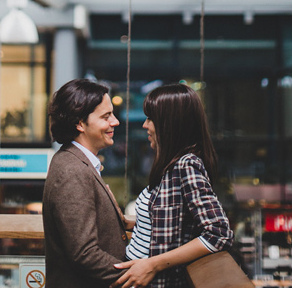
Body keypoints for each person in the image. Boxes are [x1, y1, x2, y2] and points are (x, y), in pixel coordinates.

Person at [112, 83, 234, 288]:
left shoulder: (186, 165)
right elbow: (171, 223)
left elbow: (218, 233)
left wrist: (152, 265)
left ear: (169, 123)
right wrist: (128, 222)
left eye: (150, 118)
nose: (145, 125)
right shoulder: (171, 166)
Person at [43, 79, 128, 288]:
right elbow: (84, 253)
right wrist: (135, 277)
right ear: (80, 123)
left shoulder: (75, 163)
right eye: (106, 116)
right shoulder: (73, 171)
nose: (115, 122)